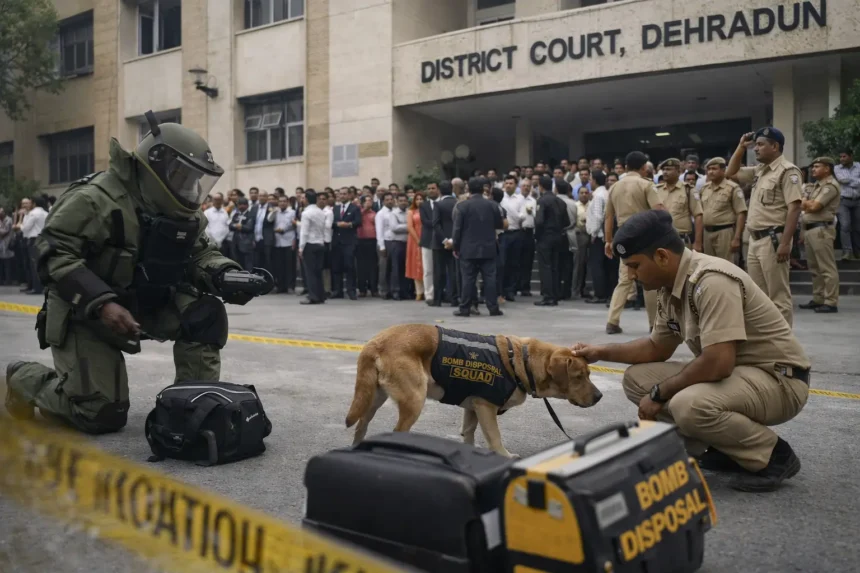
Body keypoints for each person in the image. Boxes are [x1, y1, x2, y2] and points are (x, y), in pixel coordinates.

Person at [5, 114, 267, 434]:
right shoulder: (96, 198)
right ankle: (24, 378)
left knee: (204, 314)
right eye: (183, 176)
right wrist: (102, 304)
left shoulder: (180, 212)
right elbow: (52, 252)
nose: (189, 187)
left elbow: (200, 253)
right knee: (99, 414)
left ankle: (192, 406)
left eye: (194, 179)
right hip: (84, 311)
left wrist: (225, 274)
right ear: (157, 167)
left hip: (144, 302)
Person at [572, 210, 810, 493]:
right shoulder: (669, 284)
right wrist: (600, 351)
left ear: (661, 256)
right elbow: (656, 347)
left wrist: (660, 393)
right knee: (637, 379)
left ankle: (772, 455)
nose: (631, 275)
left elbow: (718, 363)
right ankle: (720, 447)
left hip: (779, 380)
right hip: (739, 375)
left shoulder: (711, 281)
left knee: (688, 404)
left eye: (635, 265)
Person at [726, 127, 802, 327]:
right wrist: (741, 147)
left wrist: (786, 243)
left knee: (779, 296)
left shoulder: (788, 171)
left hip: (773, 239)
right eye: (755, 145)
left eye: (760, 145)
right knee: (759, 297)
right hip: (755, 240)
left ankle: (784, 347)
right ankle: (767, 342)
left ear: (775, 146)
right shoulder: (760, 170)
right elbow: (730, 173)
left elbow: (795, 208)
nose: (756, 149)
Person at [604, 151, 665, 334]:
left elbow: (608, 216)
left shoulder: (614, 187)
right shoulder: (646, 184)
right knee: (648, 278)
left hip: (622, 234)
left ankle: (612, 321)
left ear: (625, 166)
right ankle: (653, 324)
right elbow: (659, 210)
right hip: (643, 233)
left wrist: (608, 241)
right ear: (643, 167)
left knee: (624, 279)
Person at [452, 177, 504, 317]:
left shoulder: (462, 206)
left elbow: (457, 229)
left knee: (468, 279)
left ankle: (465, 308)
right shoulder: (492, 205)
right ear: (483, 189)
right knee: (490, 278)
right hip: (488, 247)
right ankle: (493, 308)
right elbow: (499, 224)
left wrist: (455, 247)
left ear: (468, 189)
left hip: (468, 248)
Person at [798, 157, 841, 313]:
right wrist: (806, 203)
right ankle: (818, 298)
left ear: (827, 168)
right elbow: (807, 206)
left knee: (827, 268)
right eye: (813, 167)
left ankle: (830, 301)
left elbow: (815, 206)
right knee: (815, 268)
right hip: (810, 229)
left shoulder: (830, 186)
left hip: (822, 229)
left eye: (817, 166)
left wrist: (803, 201)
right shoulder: (816, 186)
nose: (813, 169)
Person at [699, 158, 747, 263]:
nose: (711, 171)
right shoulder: (704, 188)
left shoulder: (732, 188)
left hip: (725, 232)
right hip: (707, 232)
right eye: (709, 169)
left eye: (714, 169)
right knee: (710, 266)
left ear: (723, 170)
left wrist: (737, 238)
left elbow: (741, 213)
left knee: (727, 266)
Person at [534, 175, 571, 306]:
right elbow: (567, 221)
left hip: (545, 236)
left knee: (545, 266)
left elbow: (539, 221)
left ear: (541, 186)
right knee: (555, 266)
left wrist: (537, 236)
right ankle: (555, 295)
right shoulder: (561, 202)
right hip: (558, 236)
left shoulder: (542, 201)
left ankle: (548, 296)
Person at [655, 158, 703, 251]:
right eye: (663, 170)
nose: (665, 172)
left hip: (681, 239)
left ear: (678, 171)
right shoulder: (657, 190)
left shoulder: (688, 190)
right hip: (661, 240)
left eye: (668, 169)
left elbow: (698, 216)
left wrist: (698, 242)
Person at [431, 180, 458, 307]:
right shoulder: (458, 203)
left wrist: (444, 240)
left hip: (439, 243)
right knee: (453, 271)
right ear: (452, 189)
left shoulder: (438, 204)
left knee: (438, 271)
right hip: (455, 242)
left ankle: (437, 299)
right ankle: (454, 298)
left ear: (439, 191)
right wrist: (452, 239)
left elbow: (436, 224)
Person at [331, 187, 361, 300]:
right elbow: (331, 222)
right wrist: (337, 224)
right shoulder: (335, 208)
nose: (342, 196)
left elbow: (358, 222)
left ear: (349, 195)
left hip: (349, 241)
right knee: (336, 266)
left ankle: (351, 290)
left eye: (344, 194)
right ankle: (338, 291)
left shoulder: (355, 208)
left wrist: (348, 225)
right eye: (340, 194)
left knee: (350, 266)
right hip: (337, 241)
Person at [298, 189, 327, 305]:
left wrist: (301, 247)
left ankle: (313, 296)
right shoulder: (321, 212)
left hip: (310, 244)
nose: (301, 200)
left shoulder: (306, 213)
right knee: (318, 271)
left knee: (310, 272)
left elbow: (304, 232)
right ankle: (321, 295)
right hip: (320, 243)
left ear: (306, 199)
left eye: (303, 198)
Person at [834, 149, 860, 261]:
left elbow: (845, 181)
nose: (842, 159)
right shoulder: (837, 168)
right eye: (841, 157)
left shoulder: (859, 166)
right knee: (845, 225)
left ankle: (857, 251)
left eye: (844, 156)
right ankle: (846, 252)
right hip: (843, 200)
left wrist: (848, 181)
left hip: (857, 200)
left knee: (857, 227)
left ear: (851, 157)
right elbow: (841, 180)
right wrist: (857, 181)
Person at [387, 194, 410, 301]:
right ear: (397, 202)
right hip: (397, 243)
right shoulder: (393, 213)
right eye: (401, 201)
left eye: (405, 200)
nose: (403, 202)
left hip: (408, 243)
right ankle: (395, 291)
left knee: (406, 268)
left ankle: (404, 291)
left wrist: (403, 225)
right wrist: (409, 226)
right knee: (396, 268)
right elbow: (394, 227)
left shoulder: (409, 212)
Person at [272, 196, 297, 293]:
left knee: (290, 266)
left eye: (284, 201)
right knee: (279, 265)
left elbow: (292, 225)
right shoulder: (275, 212)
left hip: (289, 241)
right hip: (277, 242)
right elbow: (270, 221)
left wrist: (282, 230)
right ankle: (281, 286)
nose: (282, 203)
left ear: (287, 203)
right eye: (280, 201)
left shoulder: (292, 212)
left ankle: (290, 286)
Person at [419, 182, 438, 303]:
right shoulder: (423, 206)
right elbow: (425, 222)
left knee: (440, 269)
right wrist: (438, 223)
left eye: (433, 188)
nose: (431, 190)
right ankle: (429, 295)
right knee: (428, 269)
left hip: (441, 240)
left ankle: (440, 293)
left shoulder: (442, 204)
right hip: (427, 240)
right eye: (429, 188)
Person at [356, 194, 378, 297]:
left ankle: (373, 288)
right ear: (362, 203)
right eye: (367, 201)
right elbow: (357, 219)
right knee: (361, 266)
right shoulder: (358, 212)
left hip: (372, 241)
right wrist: (364, 209)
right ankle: (362, 289)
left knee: (373, 265)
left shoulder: (374, 213)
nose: (369, 202)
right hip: (360, 241)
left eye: (370, 201)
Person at [406, 191, 426, 300]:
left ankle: (427, 291)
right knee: (415, 264)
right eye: (417, 199)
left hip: (426, 238)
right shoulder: (411, 211)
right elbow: (410, 227)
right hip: (414, 239)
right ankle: (419, 291)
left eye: (421, 199)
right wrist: (417, 240)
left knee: (426, 265)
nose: (419, 201)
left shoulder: (428, 210)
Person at [229, 198, 255, 271]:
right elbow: (230, 226)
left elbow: (249, 228)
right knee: (237, 263)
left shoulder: (250, 214)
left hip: (246, 243)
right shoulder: (236, 214)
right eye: (240, 204)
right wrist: (238, 226)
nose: (241, 206)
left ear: (247, 205)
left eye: (244, 204)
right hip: (235, 243)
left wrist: (240, 226)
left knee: (247, 264)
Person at [0, 207, 14, 285]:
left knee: (7, 263)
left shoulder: (9, 220)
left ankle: (8, 280)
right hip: (1, 244)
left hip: (8, 243)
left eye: (1, 212)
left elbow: (5, 231)